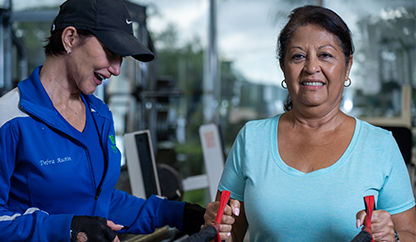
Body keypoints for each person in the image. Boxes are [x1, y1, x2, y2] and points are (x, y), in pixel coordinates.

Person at [0, 0, 234, 241]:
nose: (116, 70)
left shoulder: (100, 115)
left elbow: (102, 201)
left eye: (121, 58)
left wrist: (180, 214)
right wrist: (69, 229)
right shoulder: (9, 119)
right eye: (111, 53)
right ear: (70, 38)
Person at [216, 5, 416, 242]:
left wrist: (391, 235)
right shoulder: (251, 138)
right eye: (298, 56)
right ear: (283, 66)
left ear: (348, 65)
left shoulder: (380, 145)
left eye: (325, 55)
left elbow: (410, 234)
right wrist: (216, 229)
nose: (311, 68)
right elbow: (226, 233)